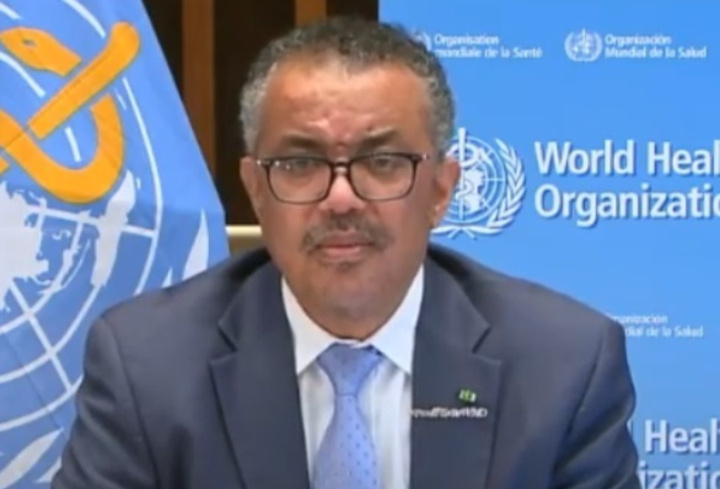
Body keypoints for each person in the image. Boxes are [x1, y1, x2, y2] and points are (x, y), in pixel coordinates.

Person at [52, 16, 641, 489]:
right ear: (256, 190)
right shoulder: (148, 368)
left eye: (382, 162)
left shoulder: (563, 368)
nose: (340, 199)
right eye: (301, 163)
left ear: (441, 191)